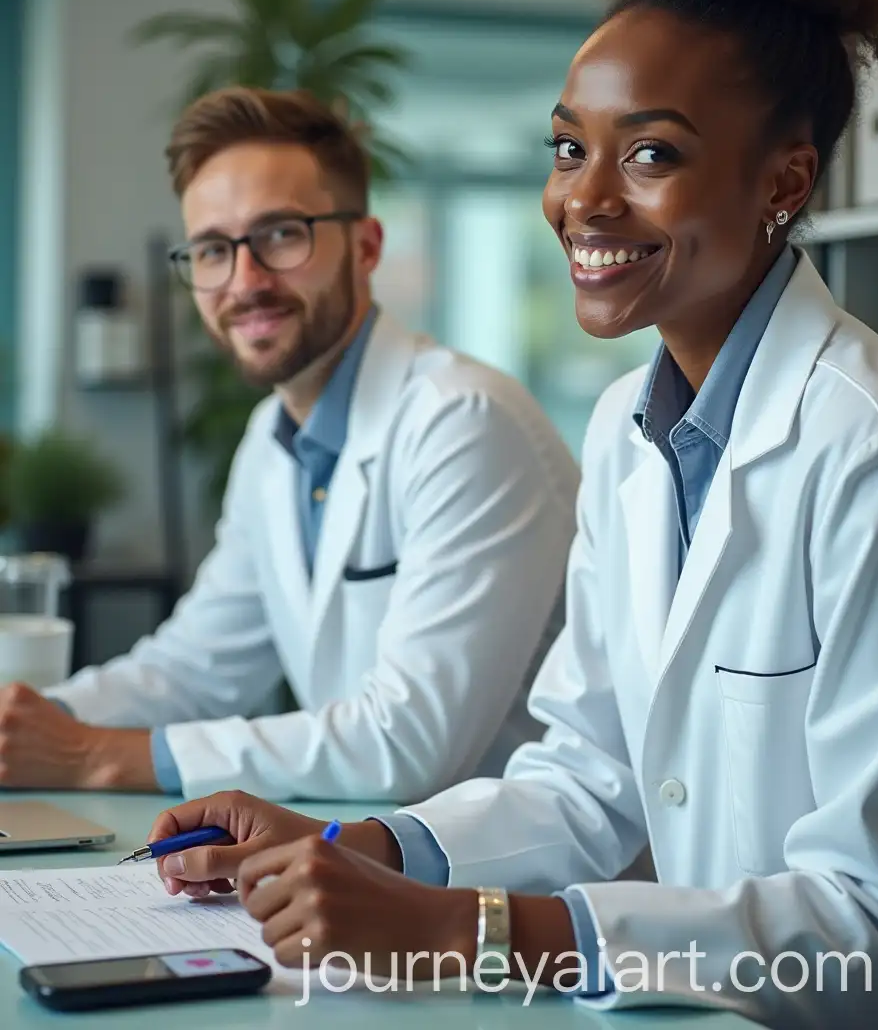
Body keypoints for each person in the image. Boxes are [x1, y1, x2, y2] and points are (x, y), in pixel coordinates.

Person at [146, 0, 878, 1030]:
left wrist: (471, 931)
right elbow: (585, 778)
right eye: (569, 148)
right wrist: (355, 846)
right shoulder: (627, 430)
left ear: (783, 180)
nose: (584, 199)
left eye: (651, 152)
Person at [0, 87, 579, 801]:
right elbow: (194, 669)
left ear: (365, 247)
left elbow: (410, 743)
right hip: (375, 849)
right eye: (213, 249)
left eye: (280, 235)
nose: (245, 282)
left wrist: (93, 756)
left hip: (512, 860)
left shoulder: (465, 422)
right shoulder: (273, 441)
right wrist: (31, 724)